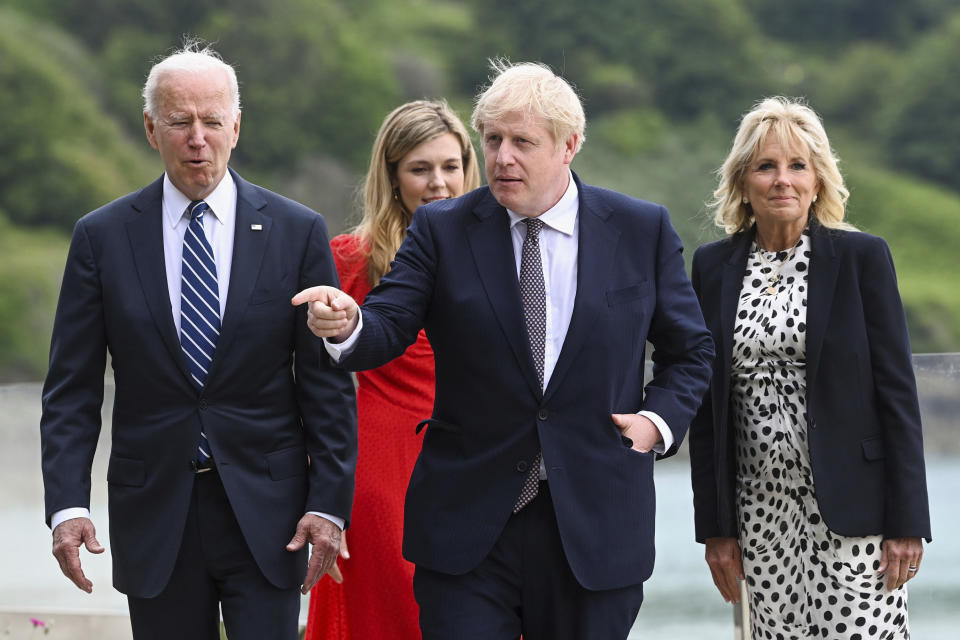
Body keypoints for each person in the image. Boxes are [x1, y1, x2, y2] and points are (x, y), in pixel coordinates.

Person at [292, 60, 713, 640]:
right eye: (492, 140)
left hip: (593, 525)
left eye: (522, 142)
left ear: (570, 145)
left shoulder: (641, 229)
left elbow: (690, 352)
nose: (501, 157)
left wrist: (656, 423)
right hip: (467, 527)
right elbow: (387, 322)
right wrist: (346, 325)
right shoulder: (442, 228)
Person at [39, 42, 357, 640]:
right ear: (150, 128)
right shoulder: (101, 237)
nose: (197, 138)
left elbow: (326, 387)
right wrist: (68, 505)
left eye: (212, 121)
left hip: (271, 514)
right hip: (155, 512)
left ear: (236, 127)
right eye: (180, 121)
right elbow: (71, 389)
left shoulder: (297, 232)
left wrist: (329, 504)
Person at [689, 96, 931, 639]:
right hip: (759, 520)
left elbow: (897, 395)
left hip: (854, 518)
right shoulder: (712, 267)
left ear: (819, 180)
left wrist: (907, 522)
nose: (783, 180)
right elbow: (707, 414)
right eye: (766, 166)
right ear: (743, 182)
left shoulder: (862, 259)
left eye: (798, 165)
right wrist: (715, 530)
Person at [304, 100, 479, 640]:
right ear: (393, 177)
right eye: (420, 169)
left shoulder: (501, 254)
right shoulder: (350, 259)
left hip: (475, 462)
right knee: (395, 611)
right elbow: (311, 378)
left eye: (450, 167)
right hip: (380, 468)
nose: (439, 183)